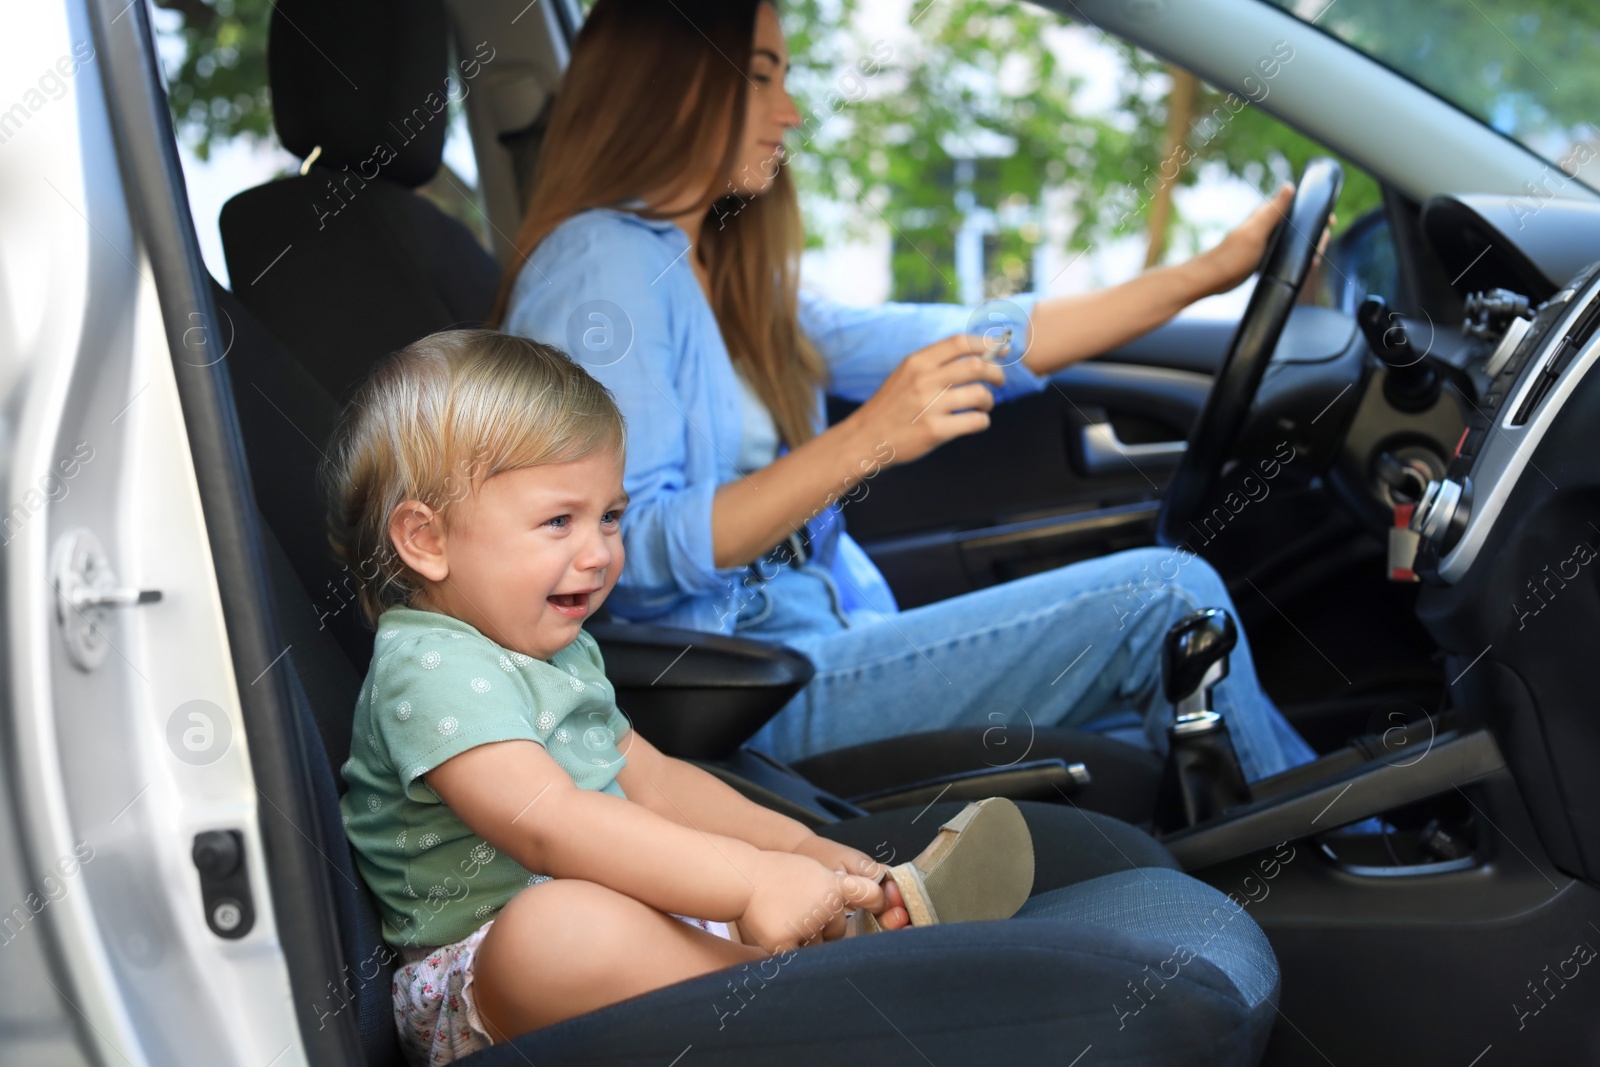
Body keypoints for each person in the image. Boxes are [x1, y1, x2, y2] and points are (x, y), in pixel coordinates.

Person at [323, 330, 1280, 1064]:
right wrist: (744, 884)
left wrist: (795, 847)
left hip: (621, 917)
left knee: (651, 891)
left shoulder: (546, 645)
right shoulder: (430, 663)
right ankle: (818, 974)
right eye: (559, 520)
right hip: (480, 979)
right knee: (556, 929)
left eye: (611, 515)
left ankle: (834, 927)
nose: (600, 550)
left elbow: (649, 779)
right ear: (427, 540)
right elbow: (548, 826)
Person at [494, 0, 1321, 788]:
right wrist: (867, 441)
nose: (791, 113)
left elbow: (977, 335)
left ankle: (1341, 861)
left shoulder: (724, 271)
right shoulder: (601, 268)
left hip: (825, 639)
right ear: (666, 81)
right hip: (735, 693)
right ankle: (1330, 865)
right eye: (760, 76)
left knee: (1149, 710)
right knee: (1170, 601)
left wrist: (1208, 274)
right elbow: (620, 553)